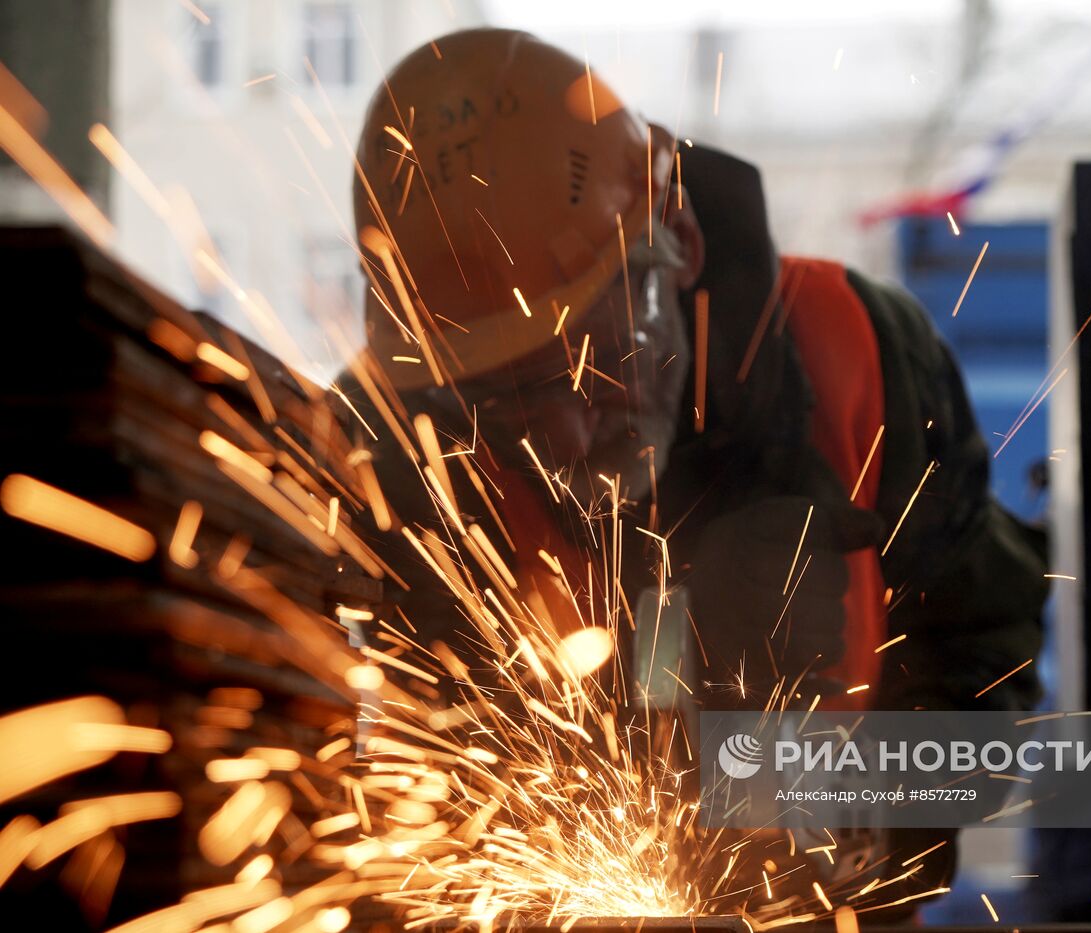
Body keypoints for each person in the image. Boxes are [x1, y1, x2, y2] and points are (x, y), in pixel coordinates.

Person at [340, 27, 1048, 898]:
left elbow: (996, 688)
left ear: (676, 245)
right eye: (508, 398)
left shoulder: (859, 356)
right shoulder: (385, 448)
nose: (562, 433)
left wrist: (825, 787)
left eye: (590, 362)